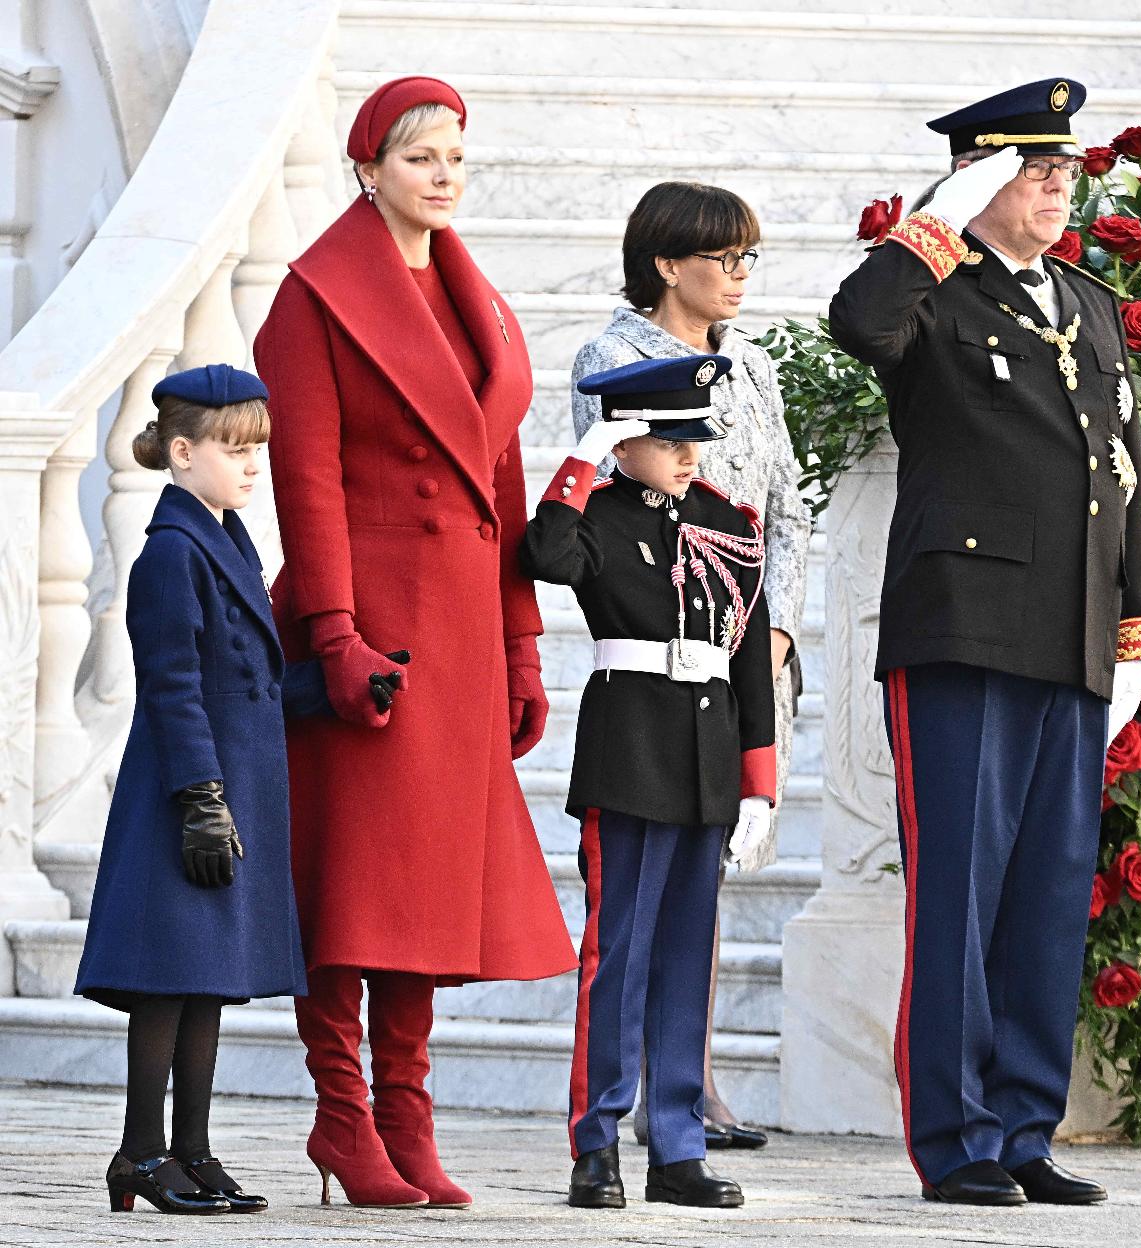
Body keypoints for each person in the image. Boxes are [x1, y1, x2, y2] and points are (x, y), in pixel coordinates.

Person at [826, 79, 1141, 1206]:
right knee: (961, 892)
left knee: (1047, 893)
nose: (1060, 189)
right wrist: (935, 220)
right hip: (965, 630)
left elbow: (1123, 477)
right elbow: (857, 323)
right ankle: (957, 1139)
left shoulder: (1087, 302)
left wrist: (1138, 624)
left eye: (1067, 173)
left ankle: (1024, 1128)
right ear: (977, 177)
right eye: (1035, 171)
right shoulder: (932, 294)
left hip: (1071, 635)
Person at [252, 76, 577, 1209]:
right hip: (373, 627)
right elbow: (308, 484)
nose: (443, 176)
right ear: (368, 169)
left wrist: (523, 644)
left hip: (462, 634)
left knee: (429, 892)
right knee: (357, 887)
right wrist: (333, 632)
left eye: (454, 158)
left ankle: (407, 1116)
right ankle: (344, 1118)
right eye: (420, 157)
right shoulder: (312, 302)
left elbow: (504, 482)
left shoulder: (474, 298)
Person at [571, 180, 809, 1150]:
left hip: (742, 646)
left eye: (750, 259)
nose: (739, 278)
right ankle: (623, 1094)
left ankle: (687, 1080)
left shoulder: (751, 366)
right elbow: (603, 497)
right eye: (723, 259)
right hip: (653, 650)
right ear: (668, 263)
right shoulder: (614, 356)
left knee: (703, 880)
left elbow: (784, 506)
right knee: (637, 899)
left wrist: (779, 628)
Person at [75, 364, 342, 1216]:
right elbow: (174, 684)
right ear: (182, 453)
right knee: (165, 978)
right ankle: (139, 1155)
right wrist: (199, 798)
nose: (252, 466)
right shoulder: (169, 553)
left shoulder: (228, 542)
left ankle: (190, 1148)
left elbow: (248, 679)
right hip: (187, 796)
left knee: (205, 978)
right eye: (234, 450)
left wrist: (336, 688)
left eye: (257, 449)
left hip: (231, 793)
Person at [522, 355, 777, 1210]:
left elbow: (751, 665)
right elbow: (546, 557)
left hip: (707, 759)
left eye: (696, 437)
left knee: (683, 962)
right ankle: (595, 1142)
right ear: (627, 439)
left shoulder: (728, 523)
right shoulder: (593, 511)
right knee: (617, 955)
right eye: (669, 439)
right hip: (628, 750)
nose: (690, 455)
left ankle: (676, 1145)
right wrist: (584, 457)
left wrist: (760, 785)